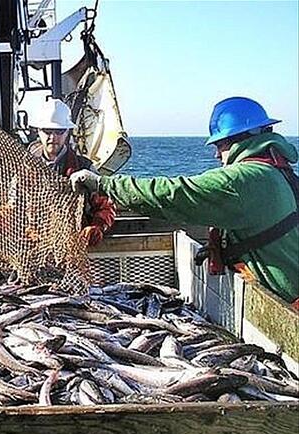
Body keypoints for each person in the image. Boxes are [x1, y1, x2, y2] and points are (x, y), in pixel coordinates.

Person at [69, 96, 299, 304]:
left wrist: (103, 184)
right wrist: (225, 247)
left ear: (239, 139)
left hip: (290, 309)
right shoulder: (275, 172)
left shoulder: (245, 179)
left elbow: (173, 193)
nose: (216, 154)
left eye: (219, 145)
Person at [30, 98, 116, 246]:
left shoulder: (84, 168)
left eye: (59, 131)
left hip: (73, 244)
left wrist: (97, 226)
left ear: (67, 132)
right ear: (38, 131)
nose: (53, 137)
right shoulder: (26, 168)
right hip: (34, 245)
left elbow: (106, 206)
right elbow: (13, 206)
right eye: (47, 131)